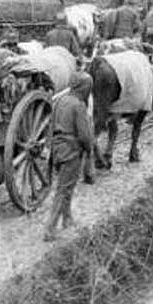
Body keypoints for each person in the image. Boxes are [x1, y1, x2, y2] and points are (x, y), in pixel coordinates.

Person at [44, 71, 94, 242]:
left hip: (57, 149)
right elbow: (84, 135)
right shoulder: (78, 106)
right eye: (89, 87)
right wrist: (89, 149)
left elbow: (50, 126)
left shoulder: (60, 101)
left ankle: (67, 218)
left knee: (67, 186)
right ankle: (50, 229)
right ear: (83, 88)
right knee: (63, 190)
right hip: (71, 151)